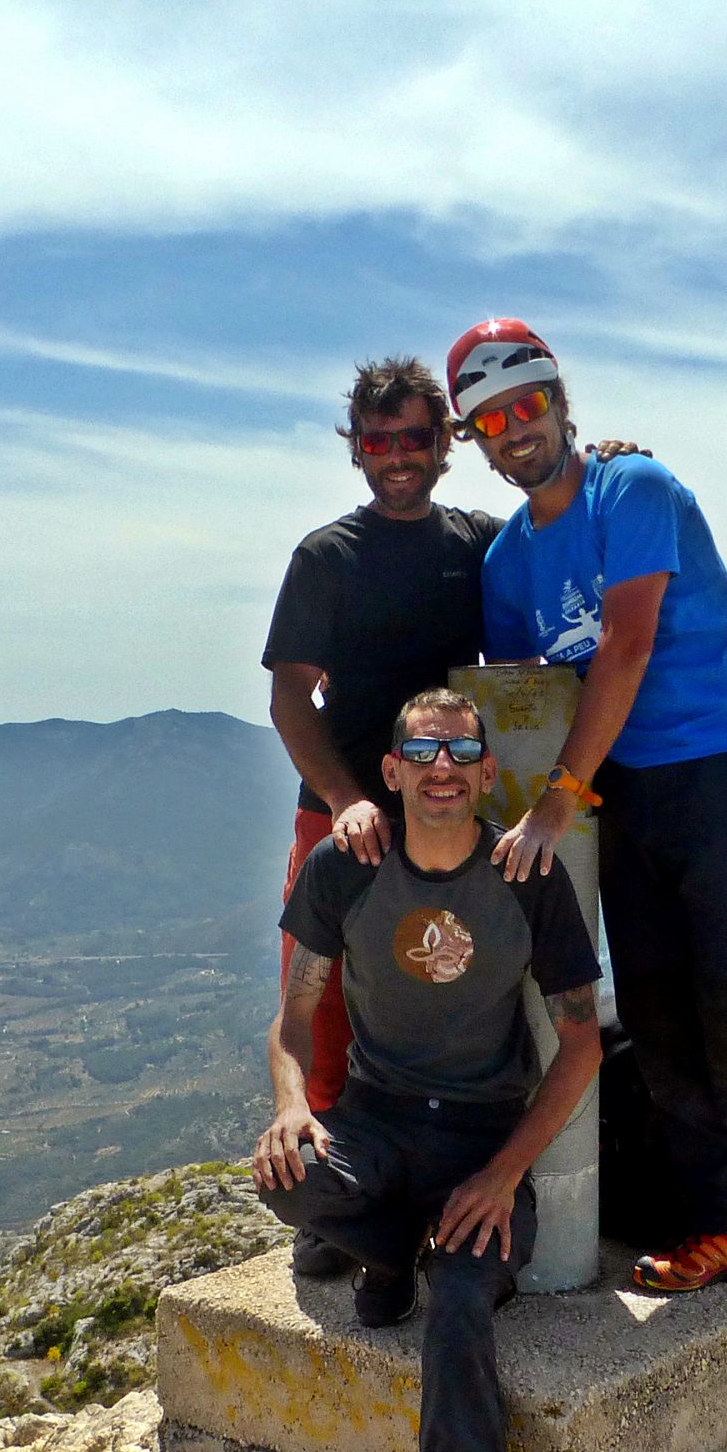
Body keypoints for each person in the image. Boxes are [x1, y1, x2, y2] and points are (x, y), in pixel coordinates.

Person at [250, 687, 602, 1452]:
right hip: (377, 1122)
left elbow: (581, 1044)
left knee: (458, 1305)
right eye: (422, 751)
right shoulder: (344, 868)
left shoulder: (525, 877)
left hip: (484, 1142)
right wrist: (292, 1108)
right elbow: (292, 1022)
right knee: (286, 1176)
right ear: (393, 770)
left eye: (459, 751)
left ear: (487, 772)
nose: (441, 767)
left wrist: (502, 1177)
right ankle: (393, 1250)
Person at [448, 317, 727, 1294]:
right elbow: (526, 690)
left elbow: (627, 644)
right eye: (490, 420)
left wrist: (557, 802)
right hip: (622, 791)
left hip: (718, 765)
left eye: (528, 404)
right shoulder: (507, 561)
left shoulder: (633, 488)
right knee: (655, 1007)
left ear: (561, 403)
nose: (515, 429)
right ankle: (711, 1221)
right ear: (474, 441)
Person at [260, 358, 502, 1276]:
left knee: (446, 1002)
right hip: (341, 818)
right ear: (356, 450)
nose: (397, 455)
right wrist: (345, 799)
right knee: (322, 1014)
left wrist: (600, 464)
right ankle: (333, 1207)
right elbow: (291, 699)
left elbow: (563, 536)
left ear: (445, 444)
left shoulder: (477, 543)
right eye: (378, 439)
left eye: (414, 437)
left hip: (446, 817)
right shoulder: (327, 557)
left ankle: (423, 1190)